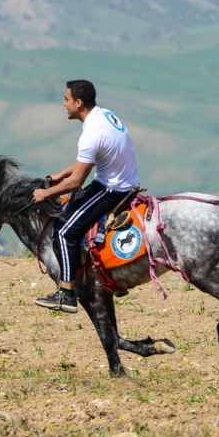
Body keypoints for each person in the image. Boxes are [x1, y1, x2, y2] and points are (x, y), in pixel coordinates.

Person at [32, 79, 141, 313]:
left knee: (63, 230)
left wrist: (45, 193)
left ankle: (67, 294)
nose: (63, 104)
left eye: (66, 99)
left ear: (78, 103)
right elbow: (89, 162)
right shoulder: (104, 115)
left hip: (112, 189)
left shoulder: (91, 133)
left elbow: (76, 182)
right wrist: (60, 173)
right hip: (125, 181)